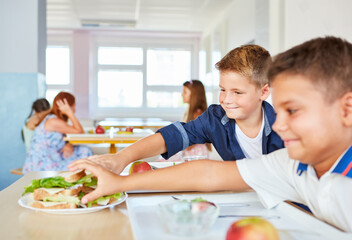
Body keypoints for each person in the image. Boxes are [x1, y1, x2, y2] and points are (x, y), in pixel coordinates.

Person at [70, 36, 352, 232]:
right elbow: (207, 172)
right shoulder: (291, 164)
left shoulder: (291, 154)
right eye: (223, 90)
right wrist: (120, 175)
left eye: (293, 111)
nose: (279, 124)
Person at [78, 44, 283, 174]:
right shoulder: (215, 118)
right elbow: (172, 136)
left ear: (264, 92)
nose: (226, 99)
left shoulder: (284, 127)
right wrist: (121, 158)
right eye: (222, 89)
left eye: (237, 92)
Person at [23, 92, 92, 174]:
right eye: (74, 105)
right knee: (85, 152)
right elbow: (80, 133)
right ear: (68, 106)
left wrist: (68, 144)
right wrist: (69, 112)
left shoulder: (53, 118)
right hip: (42, 164)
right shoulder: (53, 121)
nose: (75, 109)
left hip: (51, 157)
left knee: (83, 150)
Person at [165, 80, 211, 161]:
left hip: (196, 155)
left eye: (185, 92)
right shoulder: (190, 112)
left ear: (194, 95)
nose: (182, 95)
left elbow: (188, 143)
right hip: (189, 152)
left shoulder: (198, 115)